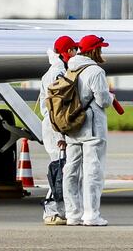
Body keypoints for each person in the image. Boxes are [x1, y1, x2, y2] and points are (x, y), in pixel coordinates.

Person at [62, 35, 115, 226]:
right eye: (100, 48)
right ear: (95, 50)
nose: (102, 51)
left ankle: (72, 214)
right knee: (93, 170)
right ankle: (91, 214)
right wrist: (109, 95)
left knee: (71, 170)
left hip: (72, 126)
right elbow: (103, 100)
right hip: (92, 128)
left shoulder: (70, 68)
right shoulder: (95, 71)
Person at [39, 36, 78, 225]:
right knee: (59, 168)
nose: (75, 53)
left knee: (61, 166)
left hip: (53, 124)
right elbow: (57, 106)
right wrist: (61, 134)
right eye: (73, 49)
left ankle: (59, 210)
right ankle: (52, 210)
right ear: (66, 52)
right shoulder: (58, 73)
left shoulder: (56, 70)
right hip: (55, 125)